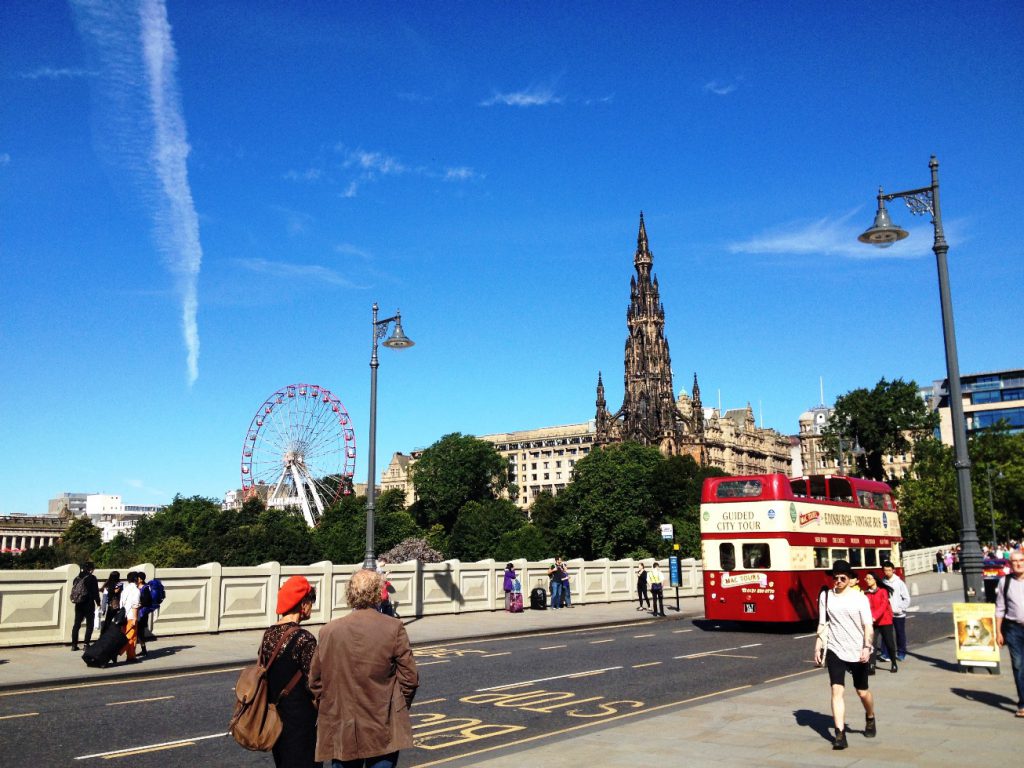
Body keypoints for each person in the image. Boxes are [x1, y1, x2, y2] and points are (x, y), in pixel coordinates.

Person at [310, 569, 419, 768]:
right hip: (382, 723)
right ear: (378, 593)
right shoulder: (393, 627)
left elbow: (316, 681)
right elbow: (410, 678)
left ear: (350, 594)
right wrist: (396, 706)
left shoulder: (328, 631)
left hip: (343, 725)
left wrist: (332, 707)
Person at [813, 560, 876, 750]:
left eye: (843, 578)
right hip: (835, 648)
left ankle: (870, 716)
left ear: (850, 580)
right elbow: (823, 624)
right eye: (835, 578)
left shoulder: (859, 598)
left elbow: (868, 626)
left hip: (858, 649)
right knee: (836, 690)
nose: (838, 581)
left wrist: (866, 646)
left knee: (862, 691)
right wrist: (818, 647)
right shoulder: (826, 596)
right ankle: (839, 734)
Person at [261, 575, 320, 768]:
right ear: (303, 604)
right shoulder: (305, 639)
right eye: (311, 601)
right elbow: (315, 682)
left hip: (275, 717)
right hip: (301, 720)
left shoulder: (268, 634)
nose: (312, 606)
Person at [996, 549, 1024, 719]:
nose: (1018, 563)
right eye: (1014, 561)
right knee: (1019, 665)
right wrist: (998, 632)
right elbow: (1000, 608)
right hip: (1013, 629)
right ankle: (1023, 703)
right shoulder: (1004, 582)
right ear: (1010, 564)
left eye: (1021, 560)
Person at [862, 572, 897, 674]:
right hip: (873, 622)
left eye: (869, 578)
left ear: (875, 580)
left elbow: (883, 605)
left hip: (885, 621)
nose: (867, 580)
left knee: (889, 643)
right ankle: (871, 665)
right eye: (866, 578)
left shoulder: (883, 591)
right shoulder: (866, 593)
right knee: (871, 643)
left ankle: (894, 663)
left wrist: (874, 616)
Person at [881, 560, 910, 661]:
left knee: (899, 633)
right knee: (886, 634)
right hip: (887, 614)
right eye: (885, 570)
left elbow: (906, 598)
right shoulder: (883, 582)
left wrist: (900, 608)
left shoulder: (899, 583)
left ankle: (901, 653)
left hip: (898, 614)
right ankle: (885, 654)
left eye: (889, 570)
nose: (887, 572)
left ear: (893, 570)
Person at [71, 562, 101, 652]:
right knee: (89, 624)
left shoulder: (76, 578)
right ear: (91, 569)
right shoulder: (92, 578)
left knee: (77, 624)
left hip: (78, 603)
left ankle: (74, 645)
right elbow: (95, 592)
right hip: (88, 604)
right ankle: (86, 644)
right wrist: (98, 603)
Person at [119, 571, 142, 662]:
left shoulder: (125, 589)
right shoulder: (136, 590)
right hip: (131, 616)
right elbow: (135, 605)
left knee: (126, 636)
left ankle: (127, 654)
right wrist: (135, 618)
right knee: (132, 637)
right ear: (136, 579)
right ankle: (130, 656)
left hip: (124, 616)